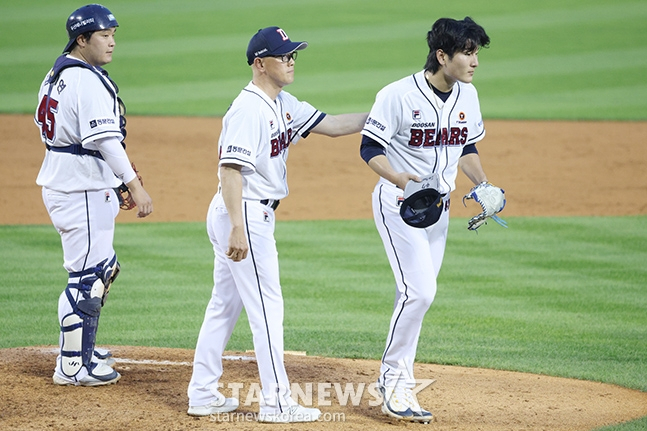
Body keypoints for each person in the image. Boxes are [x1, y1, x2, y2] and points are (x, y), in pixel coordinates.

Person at [186, 26, 368, 423]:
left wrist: (382, 116)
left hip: (246, 214)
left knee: (224, 307)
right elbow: (230, 169)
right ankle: (277, 402)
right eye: (283, 55)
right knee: (267, 310)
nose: (290, 61)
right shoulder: (248, 109)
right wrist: (237, 226)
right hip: (244, 213)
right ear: (259, 63)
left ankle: (202, 392)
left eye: (292, 55)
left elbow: (334, 125)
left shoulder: (282, 103)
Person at [360, 17, 504, 422]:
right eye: (468, 52)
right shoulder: (398, 95)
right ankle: (392, 381)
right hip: (399, 205)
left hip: (437, 210)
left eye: (477, 52)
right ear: (442, 56)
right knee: (420, 292)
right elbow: (369, 148)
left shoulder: (467, 96)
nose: (475, 61)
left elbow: (467, 145)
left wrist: (483, 183)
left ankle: (402, 379)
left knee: (414, 296)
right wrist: (400, 179)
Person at [35, 4, 153, 387]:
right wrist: (132, 183)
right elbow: (104, 139)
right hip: (79, 189)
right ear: (81, 39)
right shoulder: (85, 80)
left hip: (74, 181)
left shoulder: (58, 74)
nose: (112, 42)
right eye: (104, 35)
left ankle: (81, 348)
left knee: (102, 270)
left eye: (114, 35)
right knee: (87, 278)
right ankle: (72, 366)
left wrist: (111, 179)